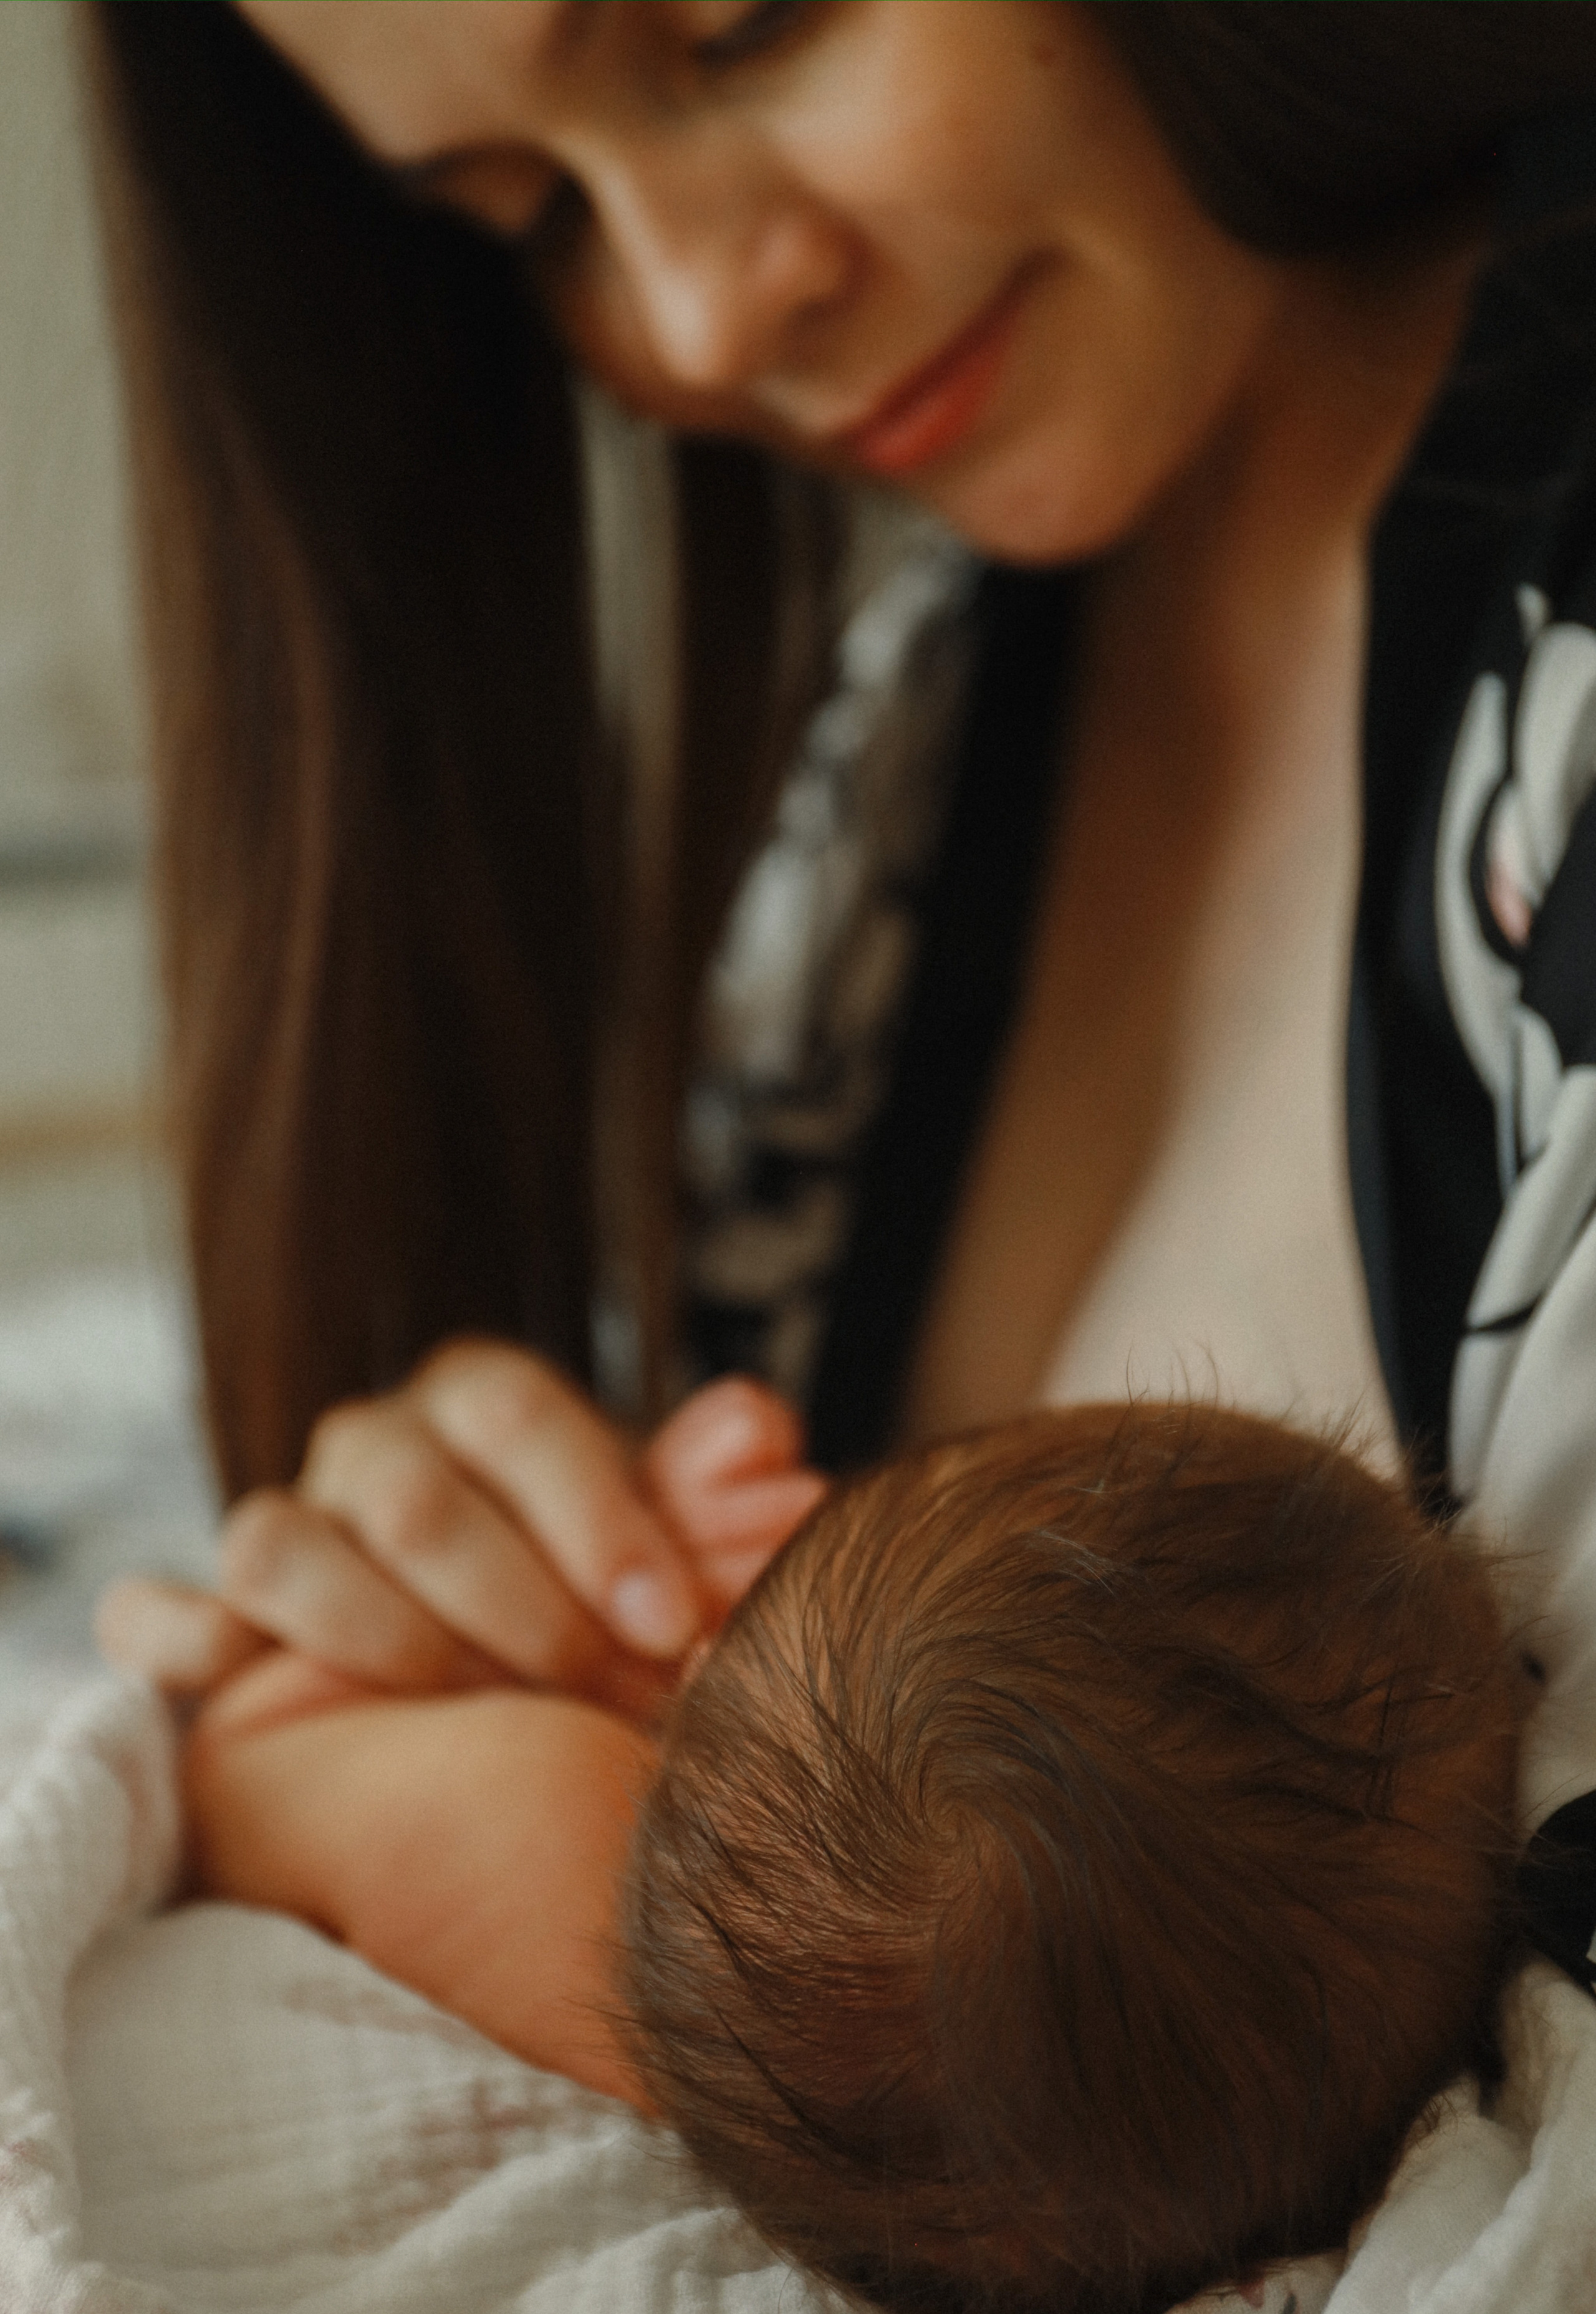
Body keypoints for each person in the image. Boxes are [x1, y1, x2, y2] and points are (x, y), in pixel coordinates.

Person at [89, 0, 1596, 2056]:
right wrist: (502, 1634)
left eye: (742, 27)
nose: (695, 322)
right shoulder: (911, 745)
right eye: (527, 215)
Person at [184, 1397, 1527, 2314]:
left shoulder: (546, 1820)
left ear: (709, 1665)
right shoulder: (981, 2117)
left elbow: (236, 1758)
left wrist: (577, 1667)